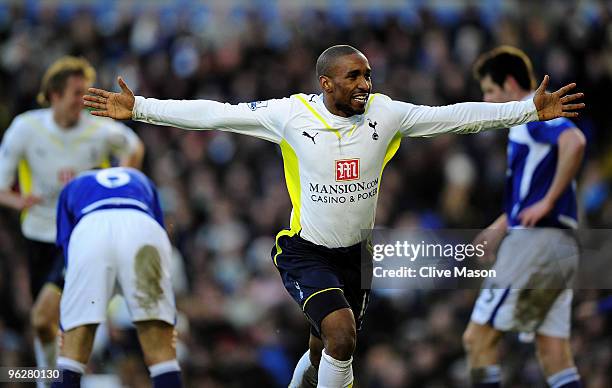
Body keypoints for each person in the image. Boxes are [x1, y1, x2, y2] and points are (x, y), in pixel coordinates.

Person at [84, 45, 583, 388]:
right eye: (354, 76)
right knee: (344, 334)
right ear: (326, 83)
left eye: (368, 74)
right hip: (304, 250)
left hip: (354, 254)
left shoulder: (386, 114)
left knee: (326, 348)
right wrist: (143, 108)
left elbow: (455, 115)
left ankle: (305, 372)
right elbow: (216, 112)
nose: (365, 83)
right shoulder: (290, 114)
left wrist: (524, 110)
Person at [0, 56, 144, 382]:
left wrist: (120, 182)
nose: (83, 100)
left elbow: (134, 147)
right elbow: (0, 186)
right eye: (76, 92)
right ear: (53, 93)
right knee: (44, 323)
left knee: (44, 317)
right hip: (37, 235)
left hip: (80, 236)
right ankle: (49, 377)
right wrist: (18, 200)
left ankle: (55, 379)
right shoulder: (26, 128)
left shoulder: (99, 128)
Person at [463, 46, 586, 388]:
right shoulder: (524, 125)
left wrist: (547, 201)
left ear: (511, 84)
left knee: (478, 339)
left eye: (489, 90)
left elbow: (574, 141)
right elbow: (525, 198)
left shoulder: (531, 117)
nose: (486, 100)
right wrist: (498, 226)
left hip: (536, 243)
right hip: (561, 246)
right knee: (553, 353)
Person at [50, 167, 181, 388]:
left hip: (90, 228)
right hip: (142, 226)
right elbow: (158, 230)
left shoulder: (73, 185)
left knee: (71, 354)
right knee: (162, 354)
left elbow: (67, 247)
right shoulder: (141, 178)